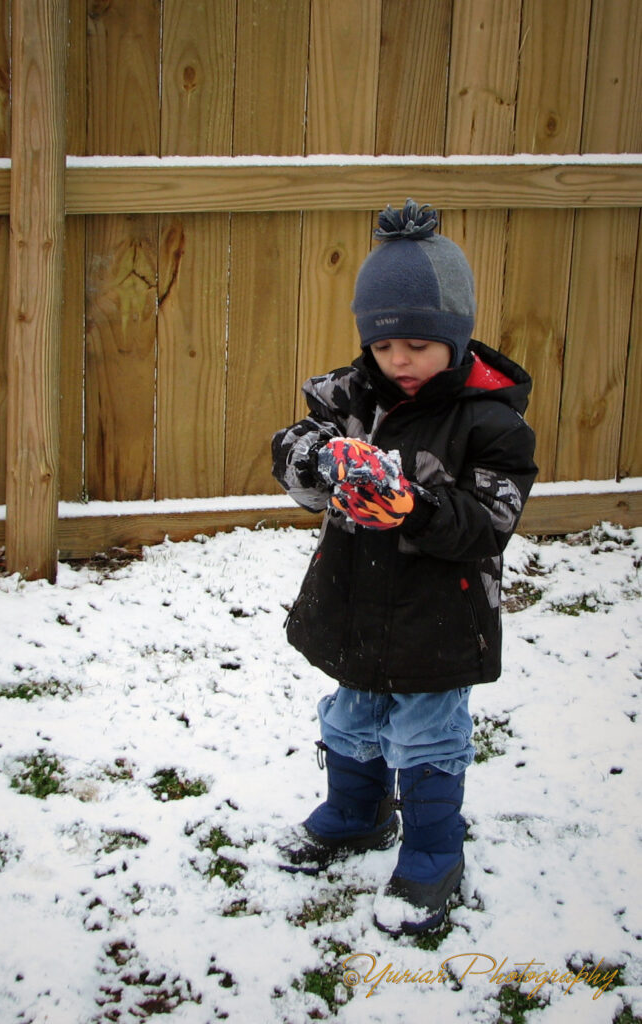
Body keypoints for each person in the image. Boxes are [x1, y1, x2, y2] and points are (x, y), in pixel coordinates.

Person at [271, 199, 538, 936]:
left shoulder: (491, 423)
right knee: (352, 715)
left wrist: (413, 508)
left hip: (440, 616)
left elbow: (489, 523)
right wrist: (320, 461)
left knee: (426, 731)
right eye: (385, 348)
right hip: (354, 600)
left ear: (454, 337)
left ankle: (430, 851)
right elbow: (289, 446)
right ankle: (357, 813)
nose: (399, 363)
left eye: (418, 346)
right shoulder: (351, 399)